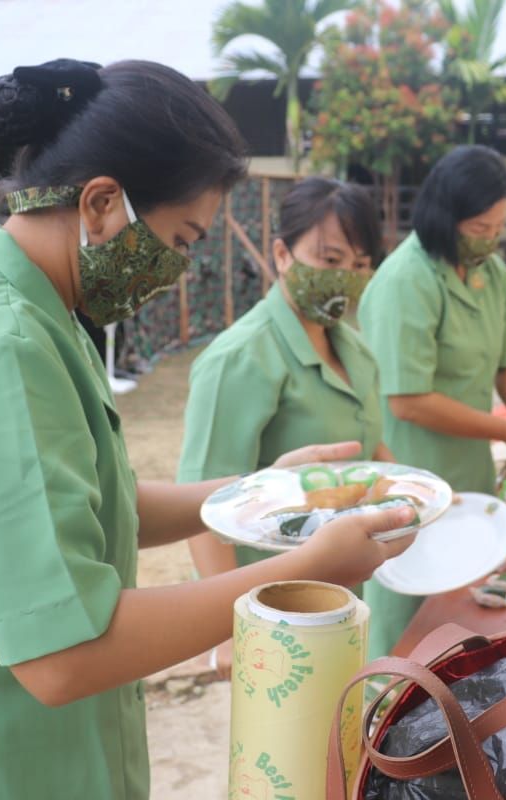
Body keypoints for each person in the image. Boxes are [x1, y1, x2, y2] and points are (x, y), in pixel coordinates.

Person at [0, 60, 413, 800]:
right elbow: (64, 654)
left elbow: (95, 502)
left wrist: (260, 492)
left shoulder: (44, 314)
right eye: (180, 238)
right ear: (102, 202)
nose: (177, 267)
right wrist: (306, 569)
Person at [357, 145, 506, 658]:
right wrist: (505, 431)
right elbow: (408, 400)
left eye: (498, 228)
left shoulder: (492, 274)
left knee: (459, 624)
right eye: (478, 229)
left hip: (467, 482)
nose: (490, 240)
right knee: (406, 629)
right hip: (408, 483)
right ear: (443, 217)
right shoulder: (406, 280)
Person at [178, 177, 392, 671]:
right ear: (281, 254)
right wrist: (229, 631)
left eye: (360, 265)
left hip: (341, 593)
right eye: (330, 259)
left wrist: (421, 497)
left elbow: (369, 445)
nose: (346, 276)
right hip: (268, 609)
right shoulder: (239, 358)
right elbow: (202, 505)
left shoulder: (354, 350)